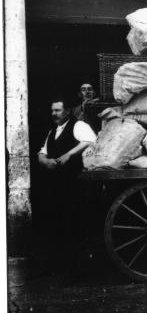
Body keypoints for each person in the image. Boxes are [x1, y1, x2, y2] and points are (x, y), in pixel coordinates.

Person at [37, 97, 97, 275]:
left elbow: (90, 141)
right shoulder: (52, 131)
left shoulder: (78, 126)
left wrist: (69, 155)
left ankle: (74, 271)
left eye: (57, 110)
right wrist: (44, 161)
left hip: (74, 183)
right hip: (56, 185)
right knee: (56, 223)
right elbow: (42, 151)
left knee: (73, 224)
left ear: (68, 111)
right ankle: (57, 266)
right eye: (52, 111)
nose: (54, 114)